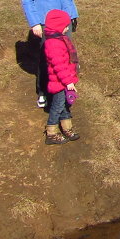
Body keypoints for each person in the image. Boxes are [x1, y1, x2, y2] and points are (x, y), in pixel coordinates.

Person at [20, 0, 79, 108]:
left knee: (64, 58)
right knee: (47, 59)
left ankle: (60, 92)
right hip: (46, 24)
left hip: (63, 23)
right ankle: (42, 92)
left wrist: (72, 15)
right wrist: (35, 23)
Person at [42, 8, 80, 144]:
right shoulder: (54, 44)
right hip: (59, 83)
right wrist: (68, 82)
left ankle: (67, 128)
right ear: (58, 26)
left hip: (63, 82)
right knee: (57, 107)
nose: (66, 29)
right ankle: (51, 132)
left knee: (63, 105)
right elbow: (59, 66)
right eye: (65, 26)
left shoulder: (59, 40)